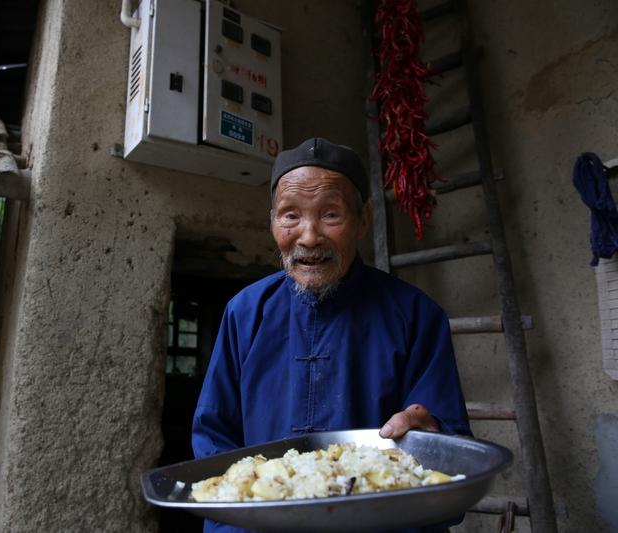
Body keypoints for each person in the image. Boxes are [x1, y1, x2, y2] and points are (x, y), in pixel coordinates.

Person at [191, 137, 471, 533]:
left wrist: (434, 442)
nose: (308, 237)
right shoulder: (245, 313)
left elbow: (450, 466)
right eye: (290, 215)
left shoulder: (416, 316)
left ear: (363, 220)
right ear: (272, 221)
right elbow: (214, 445)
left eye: (330, 214)